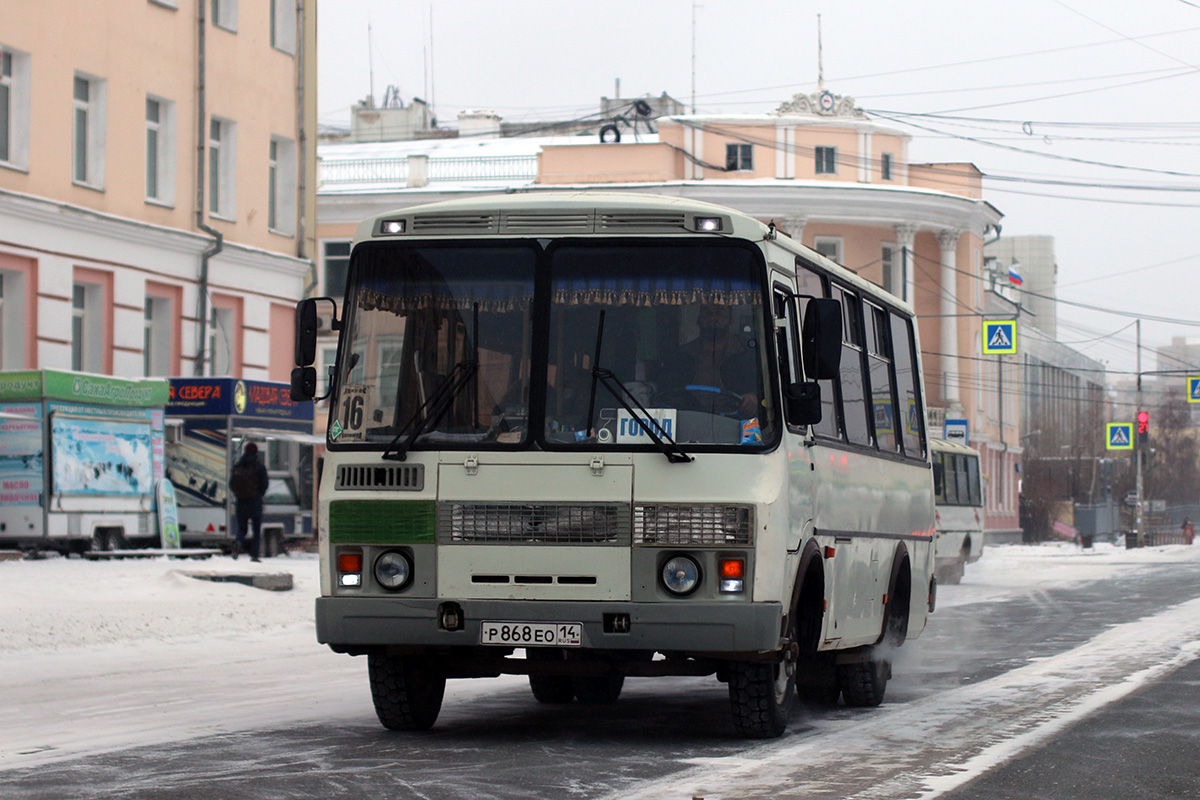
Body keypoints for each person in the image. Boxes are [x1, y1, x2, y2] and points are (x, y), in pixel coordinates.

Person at [230, 443, 269, 561]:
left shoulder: (238, 465)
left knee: (242, 527)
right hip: (255, 501)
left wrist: (238, 495)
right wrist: (258, 494)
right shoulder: (259, 466)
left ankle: (238, 542)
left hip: (241, 502)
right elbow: (265, 484)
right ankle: (254, 555)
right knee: (256, 530)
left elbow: (231, 484)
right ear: (256, 452)